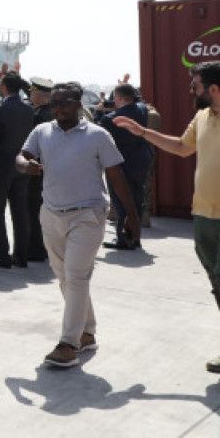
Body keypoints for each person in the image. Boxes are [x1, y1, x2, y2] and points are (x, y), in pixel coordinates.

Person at [18, 82, 139, 368]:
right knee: (67, 278)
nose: (58, 109)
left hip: (88, 215)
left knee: (76, 277)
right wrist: (25, 165)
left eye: (64, 103)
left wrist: (131, 215)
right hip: (51, 214)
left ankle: (68, 344)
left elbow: (115, 175)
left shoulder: (97, 135)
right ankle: (87, 332)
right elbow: (21, 157)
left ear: (78, 103)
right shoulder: (42, 131)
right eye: (54, 104)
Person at [113, 61, 220, 373]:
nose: (191, 90)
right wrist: (143, 132)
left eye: (195, 86)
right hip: (203, 215)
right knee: (216, 282)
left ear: (214, 89)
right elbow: (182, 147)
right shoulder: (202, 117)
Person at [0, 72, 35, 268]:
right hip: (22, 165)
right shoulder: (28, 109)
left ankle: (1, 254)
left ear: (4, 87)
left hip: (1, 166)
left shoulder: (0, 109)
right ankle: (21, 255)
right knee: (20, 211)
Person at [97, 83, 154, 250]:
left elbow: (98, 131)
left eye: (115, 97)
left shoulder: (110, 119)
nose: (114, 100)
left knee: (122, 201)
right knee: (137, 198)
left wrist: (100, 111)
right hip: (141, 161)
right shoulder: (142, 109)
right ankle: (135, 237)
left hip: (121, 165)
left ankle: (124, 238)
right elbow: (137, 102)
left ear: (120, 98)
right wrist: (110, 104)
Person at [23, 77, 55, 262]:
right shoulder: (51, 113)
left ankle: (35, 249)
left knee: (33, 209)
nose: (30, 96)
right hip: (49, 168)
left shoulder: (40, 116)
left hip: (38, 169)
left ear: (41, 95)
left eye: (33, 93)